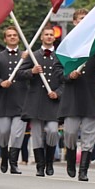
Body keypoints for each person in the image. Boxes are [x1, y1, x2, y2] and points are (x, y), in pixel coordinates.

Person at [53, 8, 95, 182]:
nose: (84, 21)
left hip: (90, 95)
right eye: (81, 19)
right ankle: (71, 158)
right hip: (72, 95)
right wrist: (69, 76)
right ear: (75, 22)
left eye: (87, 19)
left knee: (89, 134)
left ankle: (83, 170)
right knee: (70, 133)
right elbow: (57, 71)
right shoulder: (67, 44)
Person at [16, 24, 62, 177]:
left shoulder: (60, 56)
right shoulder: (33, 55)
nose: (49, 36)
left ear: (54, 37)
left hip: (53, 100)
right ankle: (40, 166)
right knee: (36, 133)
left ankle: (49, 162)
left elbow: (65, 79)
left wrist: (58, 93)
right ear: (42, 37)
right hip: (36, 99)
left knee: (52, 131)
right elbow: (19, 74)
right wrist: (32, 71)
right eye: (46, 34)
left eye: (51, 34)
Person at [0, 26, 28, 175]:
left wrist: (31, 67)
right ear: (5, 39)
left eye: (15, 35)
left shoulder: (25, 56)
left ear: (18, 38)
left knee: (17, 134)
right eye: (9, 35)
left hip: (21, 100)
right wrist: (0, 82)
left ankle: (13, 162)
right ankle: (4, 156)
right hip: (4, 101)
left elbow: (30, 74)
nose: (12, 37)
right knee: (3, 132)